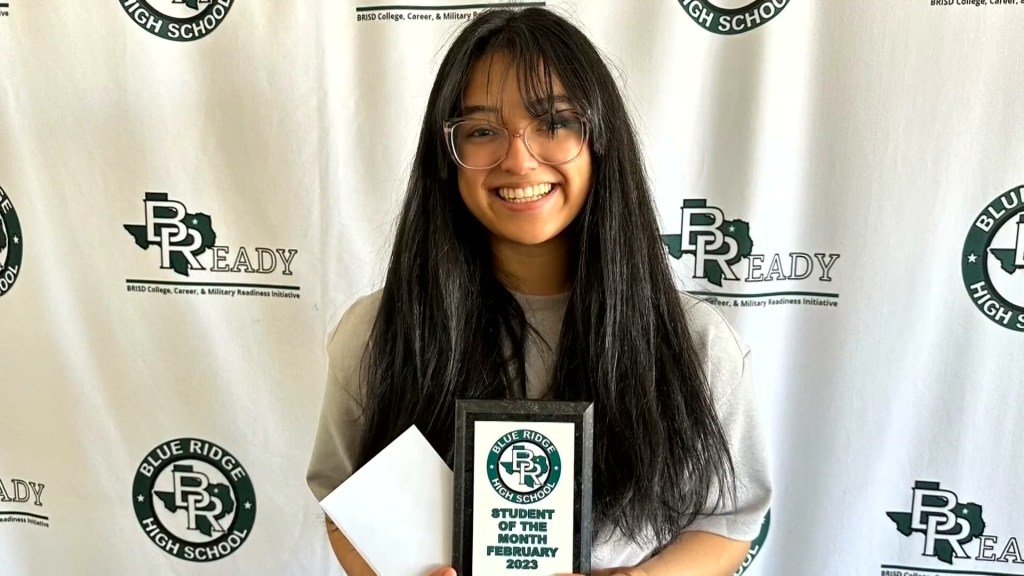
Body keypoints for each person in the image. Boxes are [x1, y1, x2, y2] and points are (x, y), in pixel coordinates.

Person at [307, 6, 771, 575]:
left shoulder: (693, 341)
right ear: (446, 157)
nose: (519, 160)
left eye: (554, 124)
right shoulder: (378, 333)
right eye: (481, 131)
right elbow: (343, 502)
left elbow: (729, 518)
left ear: (600, 137)